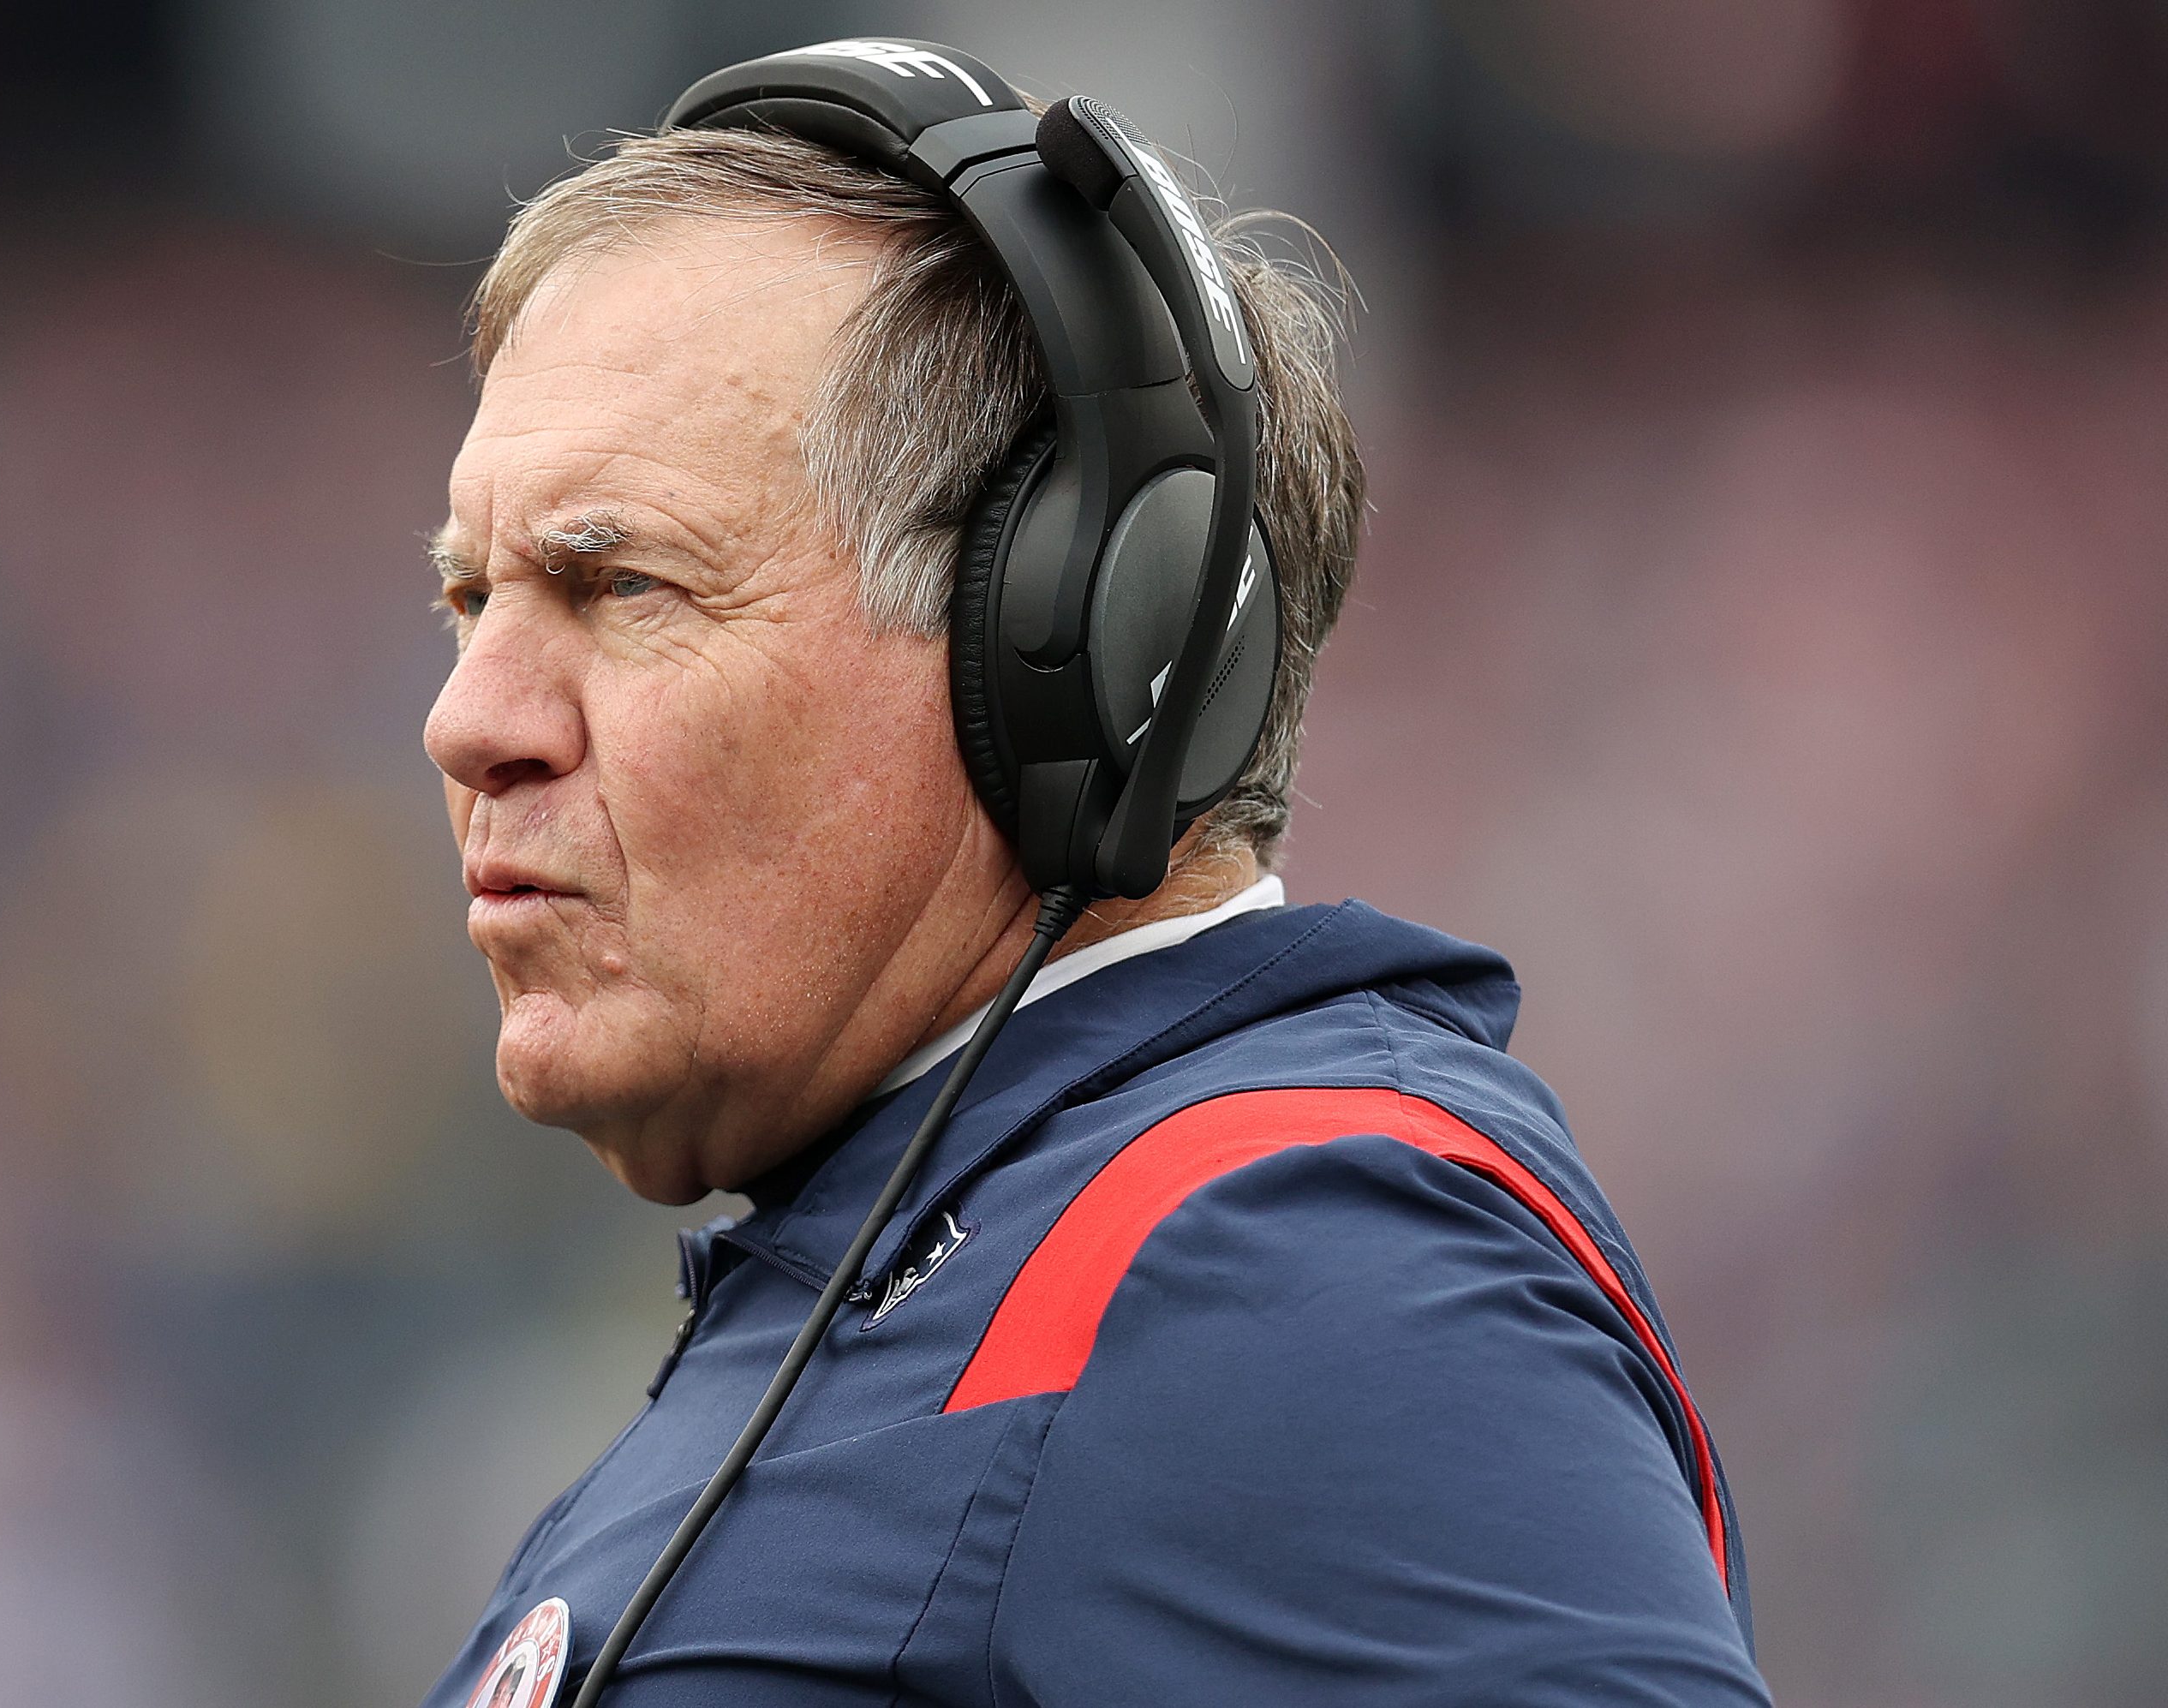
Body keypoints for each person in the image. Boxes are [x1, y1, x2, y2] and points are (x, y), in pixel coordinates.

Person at [419, 38, 1770, 1708]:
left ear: (1062, 641)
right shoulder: (948, 1267)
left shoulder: (1290, 1260)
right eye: (471, 602)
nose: (469, 720)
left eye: (620, 584)